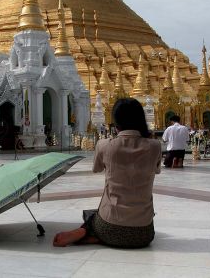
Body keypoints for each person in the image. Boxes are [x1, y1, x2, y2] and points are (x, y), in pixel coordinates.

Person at [53, 98, 162, 248]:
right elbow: (157, 170)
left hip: (110, 228)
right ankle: (95, 236)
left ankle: (87, 232)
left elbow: (96, 169)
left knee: (92, 215)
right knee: (104, 215)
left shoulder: (104, 145)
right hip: (144, 234)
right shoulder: (155, 146)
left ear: (115, 122)